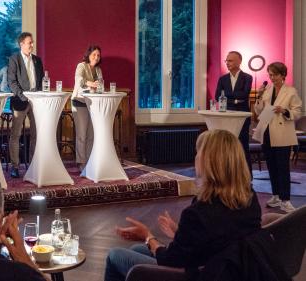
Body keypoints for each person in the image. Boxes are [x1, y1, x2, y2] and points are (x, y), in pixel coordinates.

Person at [104, 130, 262, 281]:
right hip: (231, 270)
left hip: (200, 274)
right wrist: (180, 233)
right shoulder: (249, 198)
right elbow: (217, 237)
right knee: (136, 250)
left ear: (210, 162)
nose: (196, 157)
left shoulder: (199, 212)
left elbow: (170, 260)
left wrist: (147, 236)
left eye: (198, 152)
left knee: (115, 256)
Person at [255, 62, 302, 213]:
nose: (272, 77)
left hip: (282, 133)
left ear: (282, 75)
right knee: (272, 166)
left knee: (282, 168)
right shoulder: (267, 90)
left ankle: (285, 200)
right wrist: (259, 96)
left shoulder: (291, 91)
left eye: (274, 74)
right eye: (270, 74)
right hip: (267, 131)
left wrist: (285, 110)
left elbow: (298, 112)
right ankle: (275, 196)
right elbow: (259, 111)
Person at [7, 32, 44, 178]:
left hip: (37, 102)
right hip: (19, 101)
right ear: (21, 44)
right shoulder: (14, 59)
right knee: (15, 135)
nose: (32, 45)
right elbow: (12, 82)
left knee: (36, 135)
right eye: (30, 42)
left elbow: (41, 80)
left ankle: (33, 164)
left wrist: (38, 95)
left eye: (32, 42)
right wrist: (24, 96)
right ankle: (15, 166)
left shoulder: (37, 60)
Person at [215, 51, 253, 175]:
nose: (227, 63)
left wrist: (227, 96)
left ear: (239, 61)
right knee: (227, 147)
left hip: (242, 117)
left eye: (230, 60)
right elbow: (217, 96)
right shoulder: (222, 79)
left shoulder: (247, 77)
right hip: (226, 117)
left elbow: (245, 94)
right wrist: (235, 99)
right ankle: (228, 175)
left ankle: (247, 176)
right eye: (226, 60)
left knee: (242, 146)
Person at [71, 45, 103, 171]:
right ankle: (81, 162)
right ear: (88, 55)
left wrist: (97, 86)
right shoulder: (81, 66)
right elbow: (79, 80)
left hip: (93, 104)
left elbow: (100, 84)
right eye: (94, 54)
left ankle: (90, 161)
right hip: (79, 103)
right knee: (82, 135)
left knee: (91, 135)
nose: (96, 57)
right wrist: (91, 83)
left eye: (98, 55)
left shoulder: (98, 70)